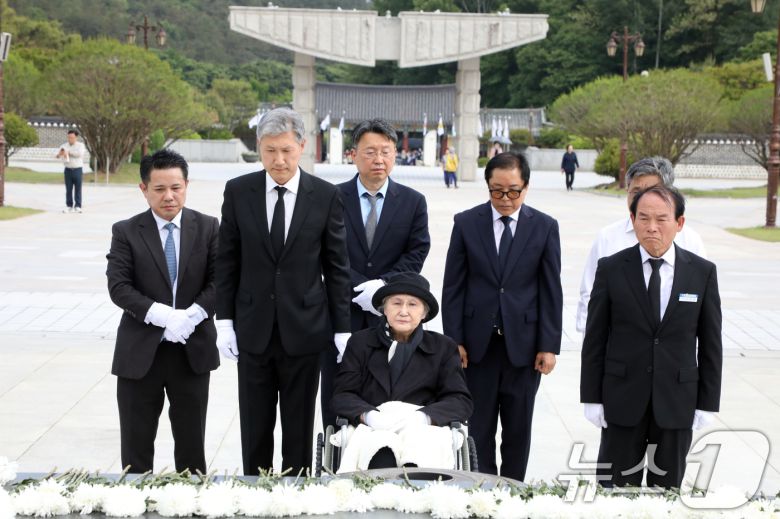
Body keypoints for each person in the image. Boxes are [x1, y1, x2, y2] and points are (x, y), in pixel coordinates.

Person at [214, 107, 352, 476]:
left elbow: (336, 267)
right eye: (270, 150)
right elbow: (227, 261)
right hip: (252, 328)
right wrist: (224, 321)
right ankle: (255, 496)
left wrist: (343, 329)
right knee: (254, 427)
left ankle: (295, 499)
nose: (278, 159)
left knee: (299, 428)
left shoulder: (324, 195)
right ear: (259, 147)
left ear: (302, 147)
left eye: (287, 150)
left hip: (306, 330)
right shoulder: (239, 191)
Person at [580, 184, 722, 489]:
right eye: (643, 218)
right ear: (632, 220)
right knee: (614, 489)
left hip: (677, 401)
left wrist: (708, 402)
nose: (652, 227)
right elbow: (595, 340)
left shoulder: (701, 273)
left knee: (666, 493)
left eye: (661, 219)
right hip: (621, 398)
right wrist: (591, 397)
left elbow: (711, 345)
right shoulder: (611, 268)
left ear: (679, 223)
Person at [442, 151, 563, 481]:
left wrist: (549, 345)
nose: (505, 198)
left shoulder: (544, 227)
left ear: (526, 186)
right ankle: (483, 492)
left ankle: (512, 492)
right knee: (477, 429)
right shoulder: (466, 223)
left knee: (518, 430)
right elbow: (453, 286)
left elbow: (551, 290)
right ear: (487, 186)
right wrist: (455, 341)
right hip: (477, 349)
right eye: (497, 190)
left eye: (513, 190)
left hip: (524, 350)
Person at [106, 149, 220, 474]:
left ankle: (190, 504)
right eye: (159, 189)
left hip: (191, 351)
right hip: (140, 353)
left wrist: (192, 316)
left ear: (186, 185)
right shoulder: (126, 231)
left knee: (191, 448)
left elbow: (221, 281)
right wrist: (163, 315)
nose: (169, 196)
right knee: (136, 448)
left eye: (176, 187)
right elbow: (119, 286)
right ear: (144, 189)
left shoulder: (209, 227)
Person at [320, 118, 431, 428]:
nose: (378, 160)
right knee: (337, 398)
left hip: (392, 318)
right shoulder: (330, 198)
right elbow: (324, 252)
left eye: (386, 151)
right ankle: (334, 469)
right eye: (370, 152)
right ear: (353, 154)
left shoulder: (412, 202)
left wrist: (383, 286)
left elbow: (417, 251)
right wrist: (360, 287)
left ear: (395, 154)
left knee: (389, 403)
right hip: (342, 315)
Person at [332, 272, 473, 469]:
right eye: (396, 303)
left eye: (412, 304)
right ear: (384, 309)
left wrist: (423, 417)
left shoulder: (444, 347)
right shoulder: (360, 343)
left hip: (423, 430)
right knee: (379, 447)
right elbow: (343, 395)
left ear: (424, 313)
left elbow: (460, 401)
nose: (403, 311)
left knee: (421, 447)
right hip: (374, 428)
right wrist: (369, 416)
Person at [575, 157, 706, 333]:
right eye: (636, 191)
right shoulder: (608, 237)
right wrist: (589, 342)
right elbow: (589, 294)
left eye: (652, 190)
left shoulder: (690, 240)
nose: (643, 198)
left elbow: (702, 304)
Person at [56, 129, 87, 213]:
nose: (70, 139)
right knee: (68, 189)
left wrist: (69, 152)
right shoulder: (64, 145)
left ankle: (78, 206)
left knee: (78, 188)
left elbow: (79, 154)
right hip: (68, 169)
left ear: (76, 137)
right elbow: (58, 155)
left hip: (77, 169)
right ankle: (69, 205)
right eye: (69, 137)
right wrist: (60, 154)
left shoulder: (80, 145)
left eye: (72, 137)